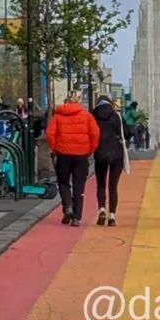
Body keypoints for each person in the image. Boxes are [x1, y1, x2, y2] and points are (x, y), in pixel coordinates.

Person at [46, 90, 99, 226]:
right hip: (81, 155)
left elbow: (50, 134)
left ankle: (68, 206)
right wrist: (90, 150)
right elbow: (95, 134)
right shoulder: (87, 116)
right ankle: (76, 217)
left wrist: (55, 148)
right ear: (79, 100)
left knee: (63, 181)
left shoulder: (58, 116)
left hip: (63, 154)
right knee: (79, 185)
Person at [92, 95, 128, 227]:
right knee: (113, 186)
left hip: (100, 153)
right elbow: (127, 132)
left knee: (101, 184)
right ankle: (112, 216)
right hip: (116, 154)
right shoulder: (116, 116)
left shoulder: (93, 116)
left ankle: (102, 209)